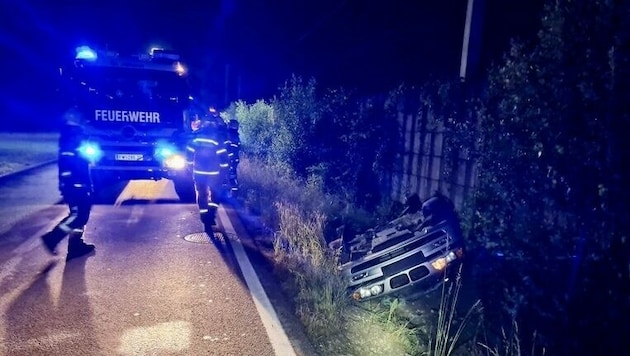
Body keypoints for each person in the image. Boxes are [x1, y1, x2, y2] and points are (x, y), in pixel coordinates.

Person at [41, 109, 96, 261]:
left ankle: (75, 245)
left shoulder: (76, 137)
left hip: (81, 184)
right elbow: (67, 166)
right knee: (77, 216)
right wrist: (71, 185)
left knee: (82, 216)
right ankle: (52, 238)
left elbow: (83, 160)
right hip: (76, 186)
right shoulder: (70, 139)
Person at [186, 117, 230, 230]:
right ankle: (211, 213)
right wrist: (224, 171)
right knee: (215, 194)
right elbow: (224, 157)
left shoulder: (196, 138)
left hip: (199, 172)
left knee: (201, 194)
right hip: (214, 173)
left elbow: (189, 152)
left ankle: (204, 216)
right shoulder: (217, 139)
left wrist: (190, 166)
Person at [225, 118, 241, 195]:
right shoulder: (236, 136)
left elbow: (229, 147)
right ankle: (234, 191)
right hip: (234, 159)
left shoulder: (229, 135)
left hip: (229, 159)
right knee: (232, 174)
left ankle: (231, 192)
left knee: (229, 174)